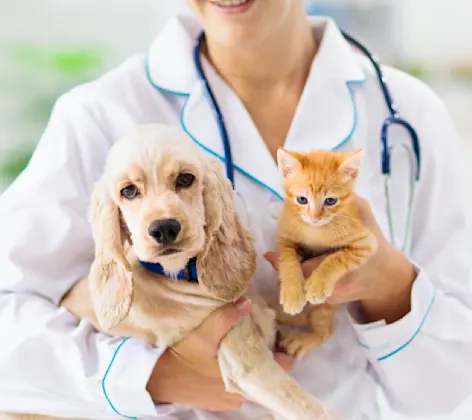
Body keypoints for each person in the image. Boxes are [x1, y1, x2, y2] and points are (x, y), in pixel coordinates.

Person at [1, 0, 472, 419]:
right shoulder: (100, 115)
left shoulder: (409, 114)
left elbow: (448, 391)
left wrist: (391, 284)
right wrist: (150, 376)